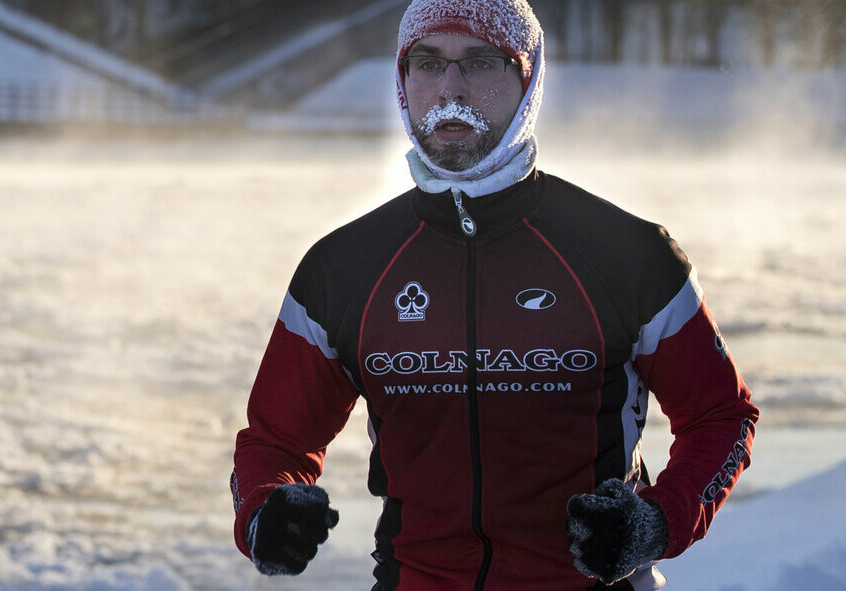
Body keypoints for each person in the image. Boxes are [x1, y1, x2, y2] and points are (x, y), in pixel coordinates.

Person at [230, 0, 759, 589]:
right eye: (428, 63)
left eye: (481, 62)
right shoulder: (343, 267)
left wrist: (656, 523)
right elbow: (276, 440)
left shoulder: (626, 254)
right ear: (403, 82)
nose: (450, 88)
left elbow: (721, 416)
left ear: (528, 82)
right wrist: (264, 511)